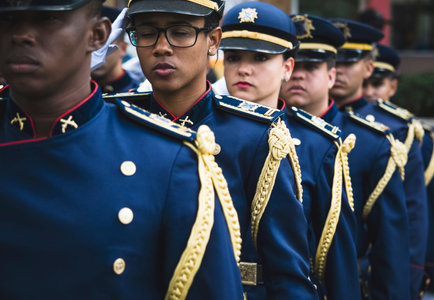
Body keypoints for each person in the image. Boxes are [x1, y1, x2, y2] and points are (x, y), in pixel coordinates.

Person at [0, 0, 245, 298]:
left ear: (98, 35)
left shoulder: (170, 159)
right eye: (8, 20)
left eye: (49, 18)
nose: (21, 35)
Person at [112, 0, 317, 298]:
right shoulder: (113, 122)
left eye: (181, 32)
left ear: (213, 41)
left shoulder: (256, 136)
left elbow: (287, 276)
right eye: (146, 33)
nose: (161, 47)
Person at [220, 3, 360, 299]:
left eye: (260, 58)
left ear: (287, 68)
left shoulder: (317, 145)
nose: (243, 69)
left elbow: (336, 261)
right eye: (233, 57)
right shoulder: (202, 135)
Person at [280, 14, 411, 299]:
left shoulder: (369, 142)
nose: (298, 75)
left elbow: (390, 246)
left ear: (331, 75)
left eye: (311, 66)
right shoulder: (263, 136)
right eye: (293, 67)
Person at [329, 18, 429, 300]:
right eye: (331, 60)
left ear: (368, 68)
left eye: (347, 61)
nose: (337, 70)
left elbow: (408, 222)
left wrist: (408, 285)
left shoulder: (393, 131)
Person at [363, 44, 434, 300]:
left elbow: (425, 216)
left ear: (393, 87)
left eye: (376, 84)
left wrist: (431, 276)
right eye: (364, 84)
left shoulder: (413, 136)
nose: (368, 92)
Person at [91, 5, 141, 94]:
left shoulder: (140, 90)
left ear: (123, 48)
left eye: (105, 42)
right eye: (90, 42)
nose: (96, 50)